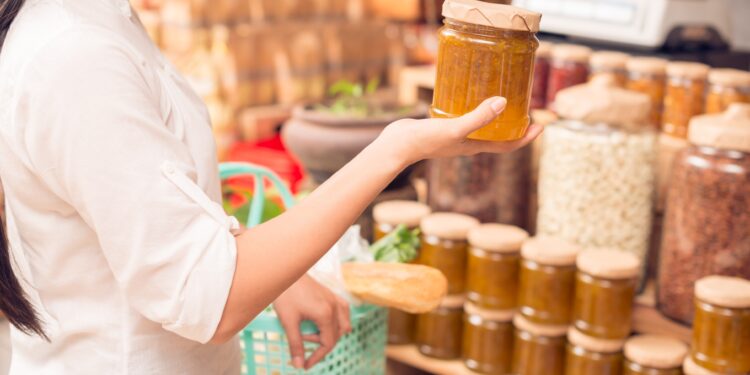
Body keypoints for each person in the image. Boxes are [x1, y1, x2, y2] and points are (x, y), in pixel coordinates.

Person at [0, 0, 543, 373]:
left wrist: (272, 271)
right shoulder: (76, 56)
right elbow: (207, 297)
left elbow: (143, 214)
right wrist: (395, 149)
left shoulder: (95, 22)